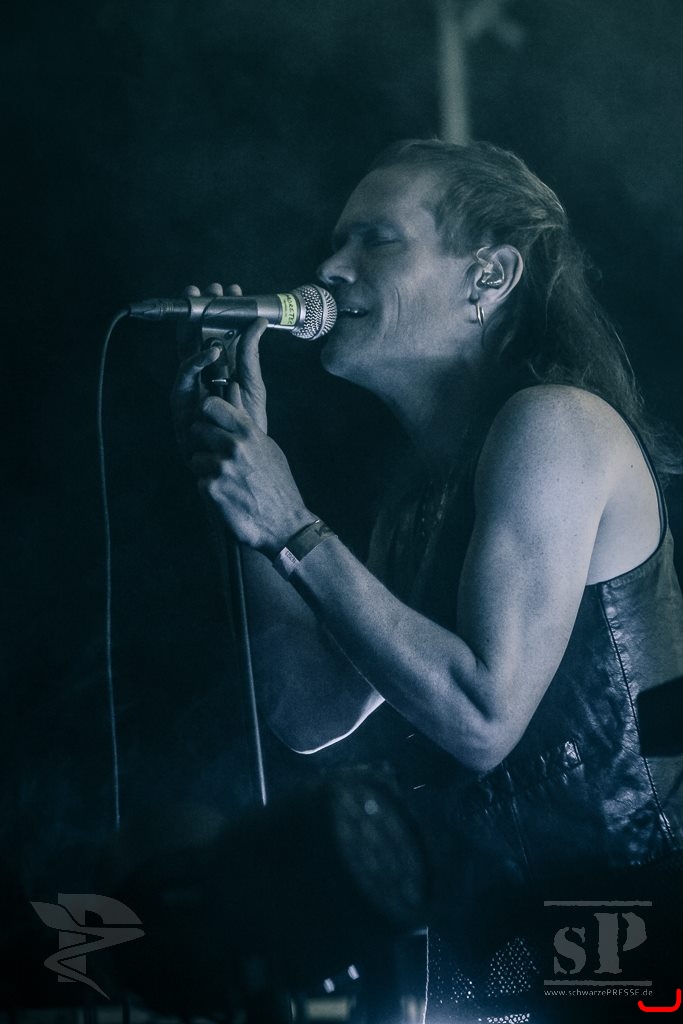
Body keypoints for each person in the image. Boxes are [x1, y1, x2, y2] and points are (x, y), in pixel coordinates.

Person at [172, 140, 683, 1021]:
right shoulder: (419, 498)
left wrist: (290, 522)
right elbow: (309, 713)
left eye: (377, 239)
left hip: (633, 940)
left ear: (489, 277)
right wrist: (245, 496)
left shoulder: (555, 424)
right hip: (508, 954)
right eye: (337, 241)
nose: (331, 268)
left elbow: (481, 716)